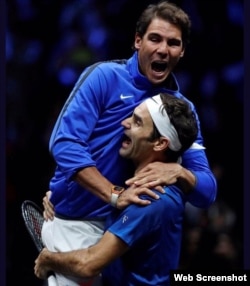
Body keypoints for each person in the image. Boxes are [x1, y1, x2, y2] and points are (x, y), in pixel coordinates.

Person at [41, 1, 217, 285]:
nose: (163, 49)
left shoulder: (182, 110)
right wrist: (111, 193)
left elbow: (206, 191)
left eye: (173, 43)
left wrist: (180, 172)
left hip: (125, 231)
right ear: (138, 40)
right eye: (155, 38)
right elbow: (64, 143)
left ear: (182, 51)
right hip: (79, 222)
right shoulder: (103, 77)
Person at [35, 93, 199, 285]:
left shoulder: (150, 198)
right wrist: (59, 196)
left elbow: (89, 264)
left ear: (160, 143)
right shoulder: (139, 184)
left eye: (137, 122)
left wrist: (48, 259)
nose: (124, 123)